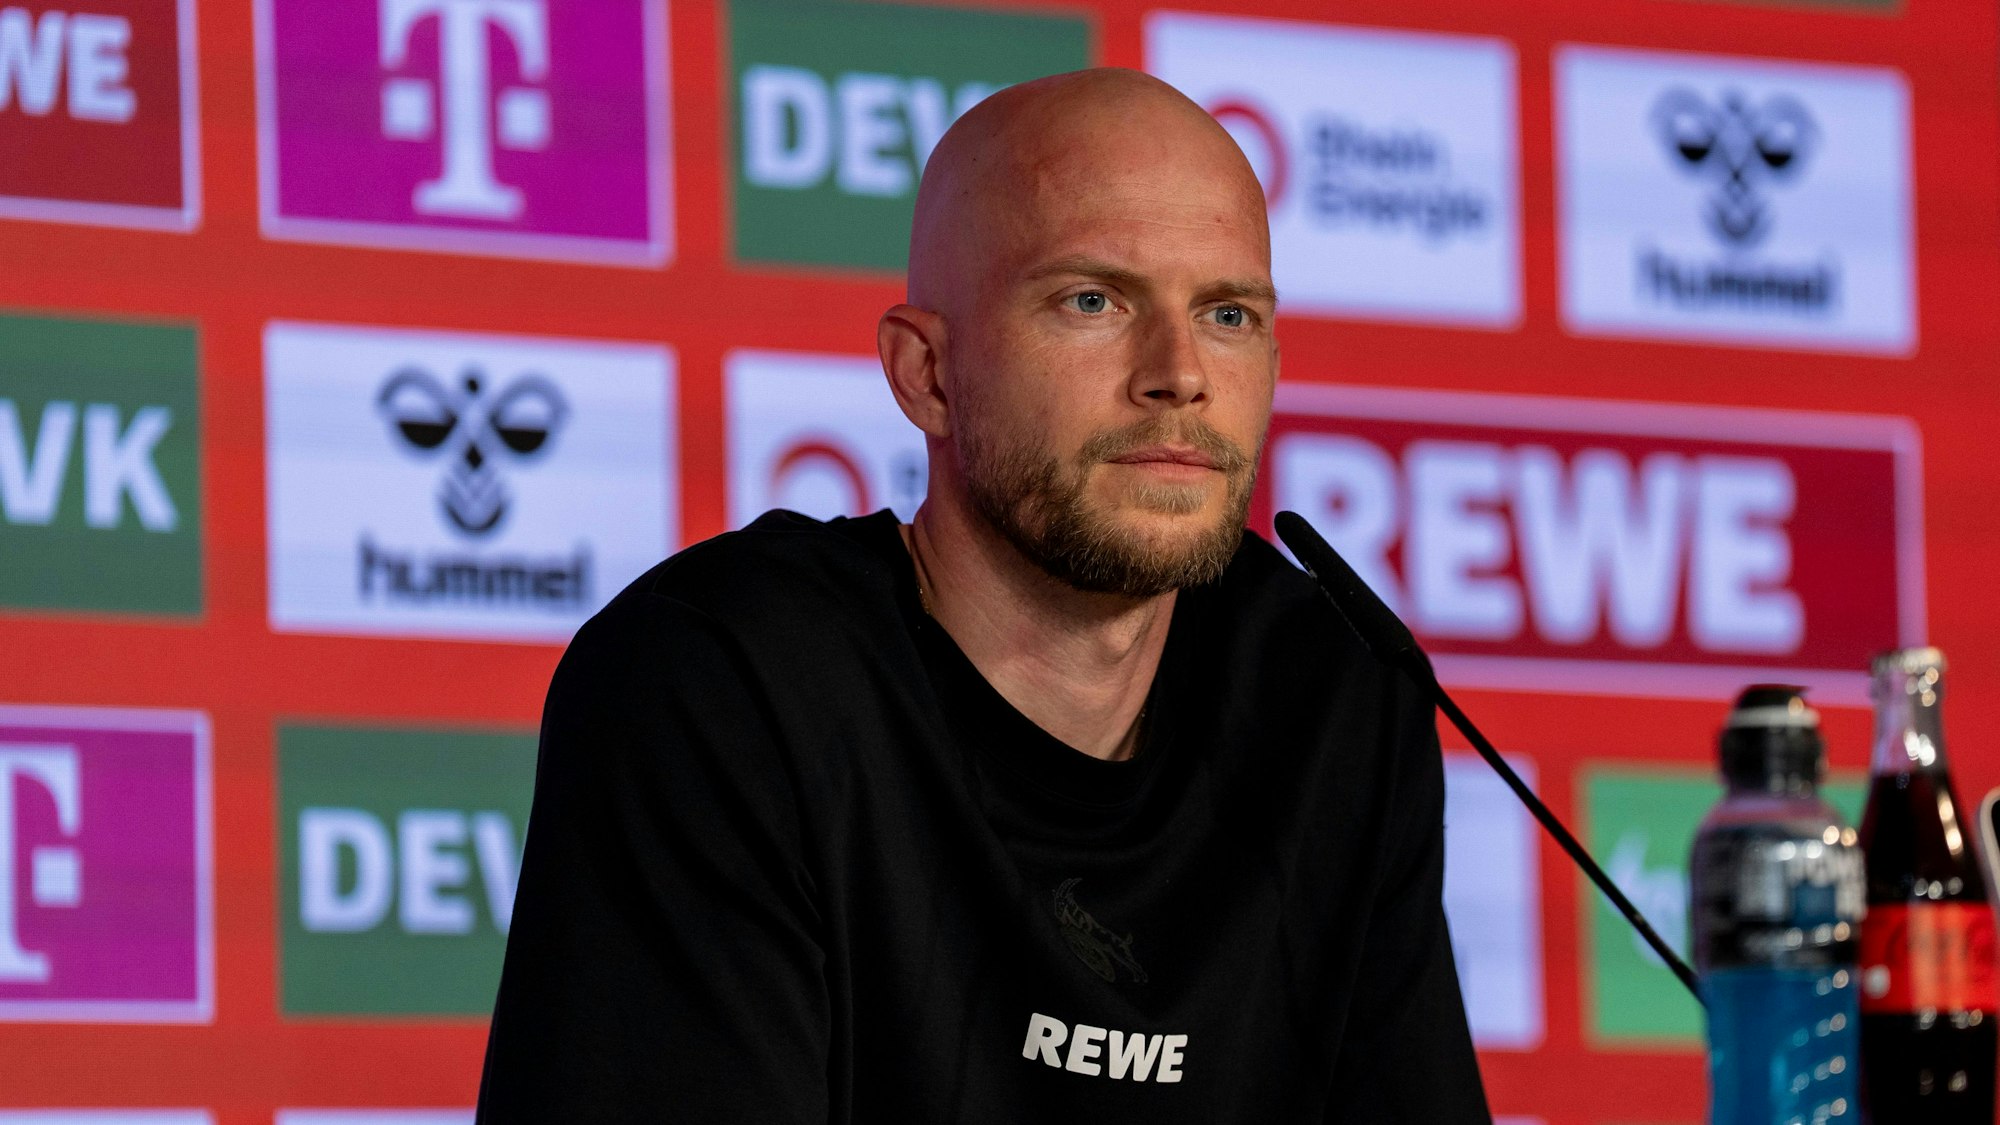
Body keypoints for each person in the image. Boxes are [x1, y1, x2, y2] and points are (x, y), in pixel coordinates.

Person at [475, 67, 1491, 1123]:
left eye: (1228, 314)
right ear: (926, 374)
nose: (1179, 374)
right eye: (1091, 300)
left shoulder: (1331, 695)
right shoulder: (722, 684)